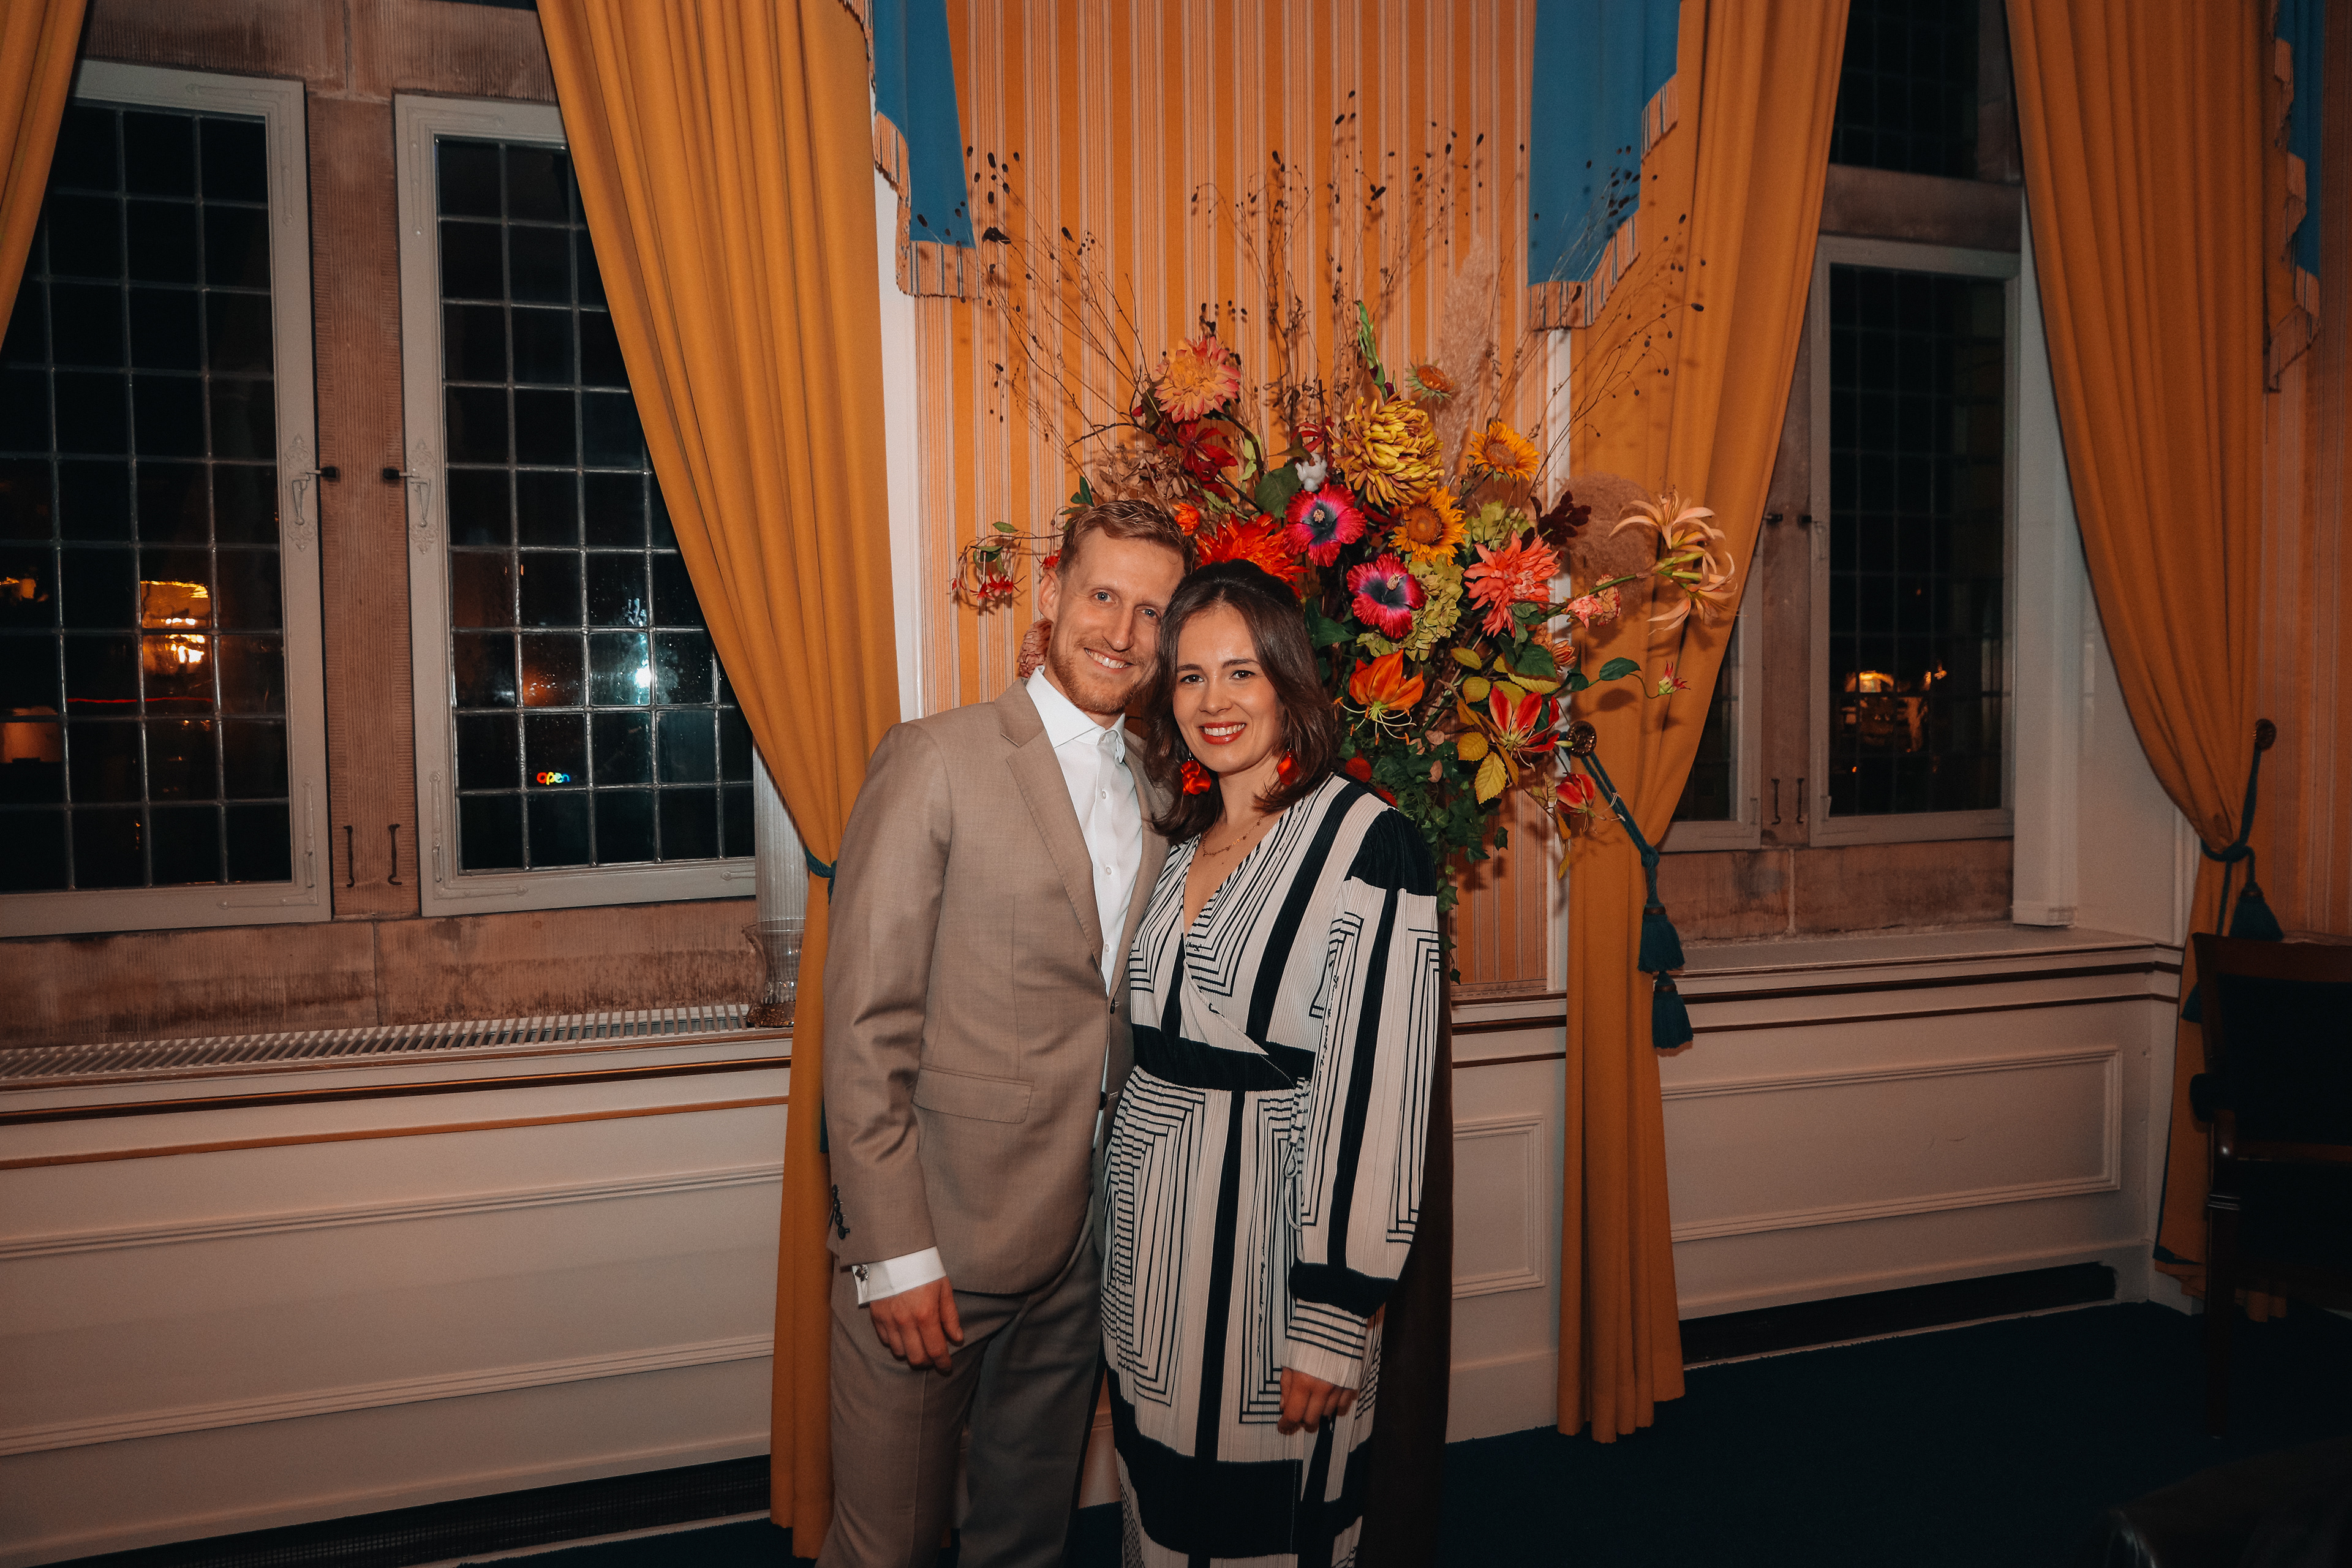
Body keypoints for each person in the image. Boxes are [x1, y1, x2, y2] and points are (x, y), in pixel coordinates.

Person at [820, 499, 1191, 1568]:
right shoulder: (936, 758)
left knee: (1026, 1540)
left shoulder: (1164, 785)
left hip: (1083, 1245)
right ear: (1052, 594)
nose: (1121, 632)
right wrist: (894, 1252)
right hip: (939, 1238)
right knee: (888, 1546)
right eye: (1103, 595)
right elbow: (865, 1027)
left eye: (1152, 613)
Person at [1101, 560, 1442, 1566]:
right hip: (1151, 1259)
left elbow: (1379, 1095)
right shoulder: (1183, 841)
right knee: (1158, 1513)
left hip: (1271, 1257)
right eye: (1191, 676)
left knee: (1268, 1529)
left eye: (1241, 672)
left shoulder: (1368, 843)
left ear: (1289, 682)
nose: (1215, 701)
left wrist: (1335, 1313)